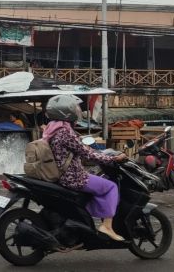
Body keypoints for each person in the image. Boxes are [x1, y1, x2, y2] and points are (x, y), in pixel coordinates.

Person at [43, 95, 127, 241]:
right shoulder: (65, 131)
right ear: (66, 112)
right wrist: (112, 159)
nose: (78, 111)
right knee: (111, 186)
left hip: (64, 175)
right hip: (73, 178)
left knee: (99, 183)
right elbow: (87, 154)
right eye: (75, 108)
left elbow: (77, 147)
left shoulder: (54, 127)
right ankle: (106, 226)